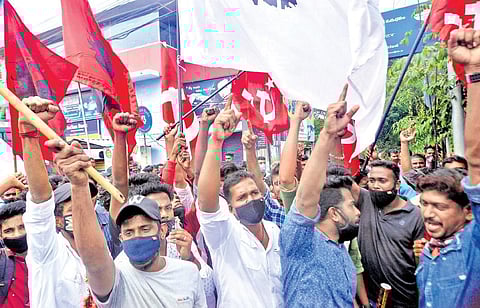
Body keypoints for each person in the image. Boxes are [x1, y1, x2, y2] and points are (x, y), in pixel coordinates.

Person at [46, 132, 207, 307]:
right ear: (121, 238)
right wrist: (78, 186)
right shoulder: (115, 279)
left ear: (162, 230)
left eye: (145, 229)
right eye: (129, 232)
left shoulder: (188, 272)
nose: (137, 237)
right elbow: (95, 263)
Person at [414, 28, 480, 307]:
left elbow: (475, 156)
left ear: (467, 212)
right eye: (426, 204)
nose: (428, 214)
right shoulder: (429, 253)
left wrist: (475, 73)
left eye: (440, 207)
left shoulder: (473, 246)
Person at [197, 97, 283, 307]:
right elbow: (206, 202)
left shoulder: (274, 231)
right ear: (230, 207)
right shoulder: (224, 234)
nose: (251, 199)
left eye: (254, 193)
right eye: (242, 197)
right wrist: (216, 140)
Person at [280, 86, 361, 307]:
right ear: (334, 213)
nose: (358, 212)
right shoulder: (301, 242)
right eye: (352, 206)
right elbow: (305, 198)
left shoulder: (341, 251)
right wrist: (326, 135)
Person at [19, 96, 90, 307]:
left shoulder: (97, 250)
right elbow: (41, 200)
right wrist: (29, 135)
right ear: (57, 220)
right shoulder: (48, 249)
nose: (80, 213)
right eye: (71, 210)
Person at [359, 160, 425, 307]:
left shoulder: (416, 215)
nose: (376, 186)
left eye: (382, 181)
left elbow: (420, 263)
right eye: (372, 180)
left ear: (397, 184)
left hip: (404, 301)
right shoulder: (365, 201)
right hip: (370, 300)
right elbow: (338, 177)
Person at [0, 201, 29, 307]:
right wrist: (9, 183)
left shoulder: (51, 258)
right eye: (8, 231)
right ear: (1, 235)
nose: (17, 234)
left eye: (22, 227)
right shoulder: (2, 261)